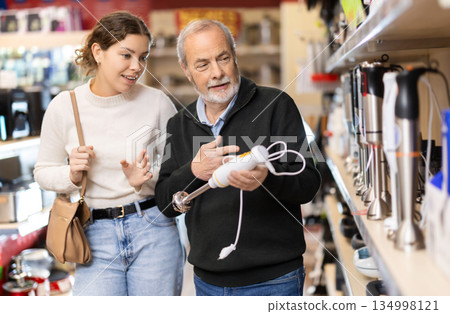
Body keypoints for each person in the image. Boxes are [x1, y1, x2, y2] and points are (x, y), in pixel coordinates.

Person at [155, 19, 321, 296]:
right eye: (203, 64)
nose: (217, 73)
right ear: (186, 71)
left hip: (275, 280)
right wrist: (195, 170)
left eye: (223, 58)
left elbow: (309, 182)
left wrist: (269, 177)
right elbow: (165, 203)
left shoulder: (276, 106)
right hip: (208, 282)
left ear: (235, 56)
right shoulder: (179, 125)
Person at [34, 11, 183, 296]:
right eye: (126, 55)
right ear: (98, 52)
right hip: (94, 234)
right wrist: (71, 174)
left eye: (143, 57)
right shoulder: (65, 106)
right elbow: (42, 172)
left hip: (153, 228)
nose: (136, 66)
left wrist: (146, 181)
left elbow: (178, 176)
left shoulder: (158, 102)